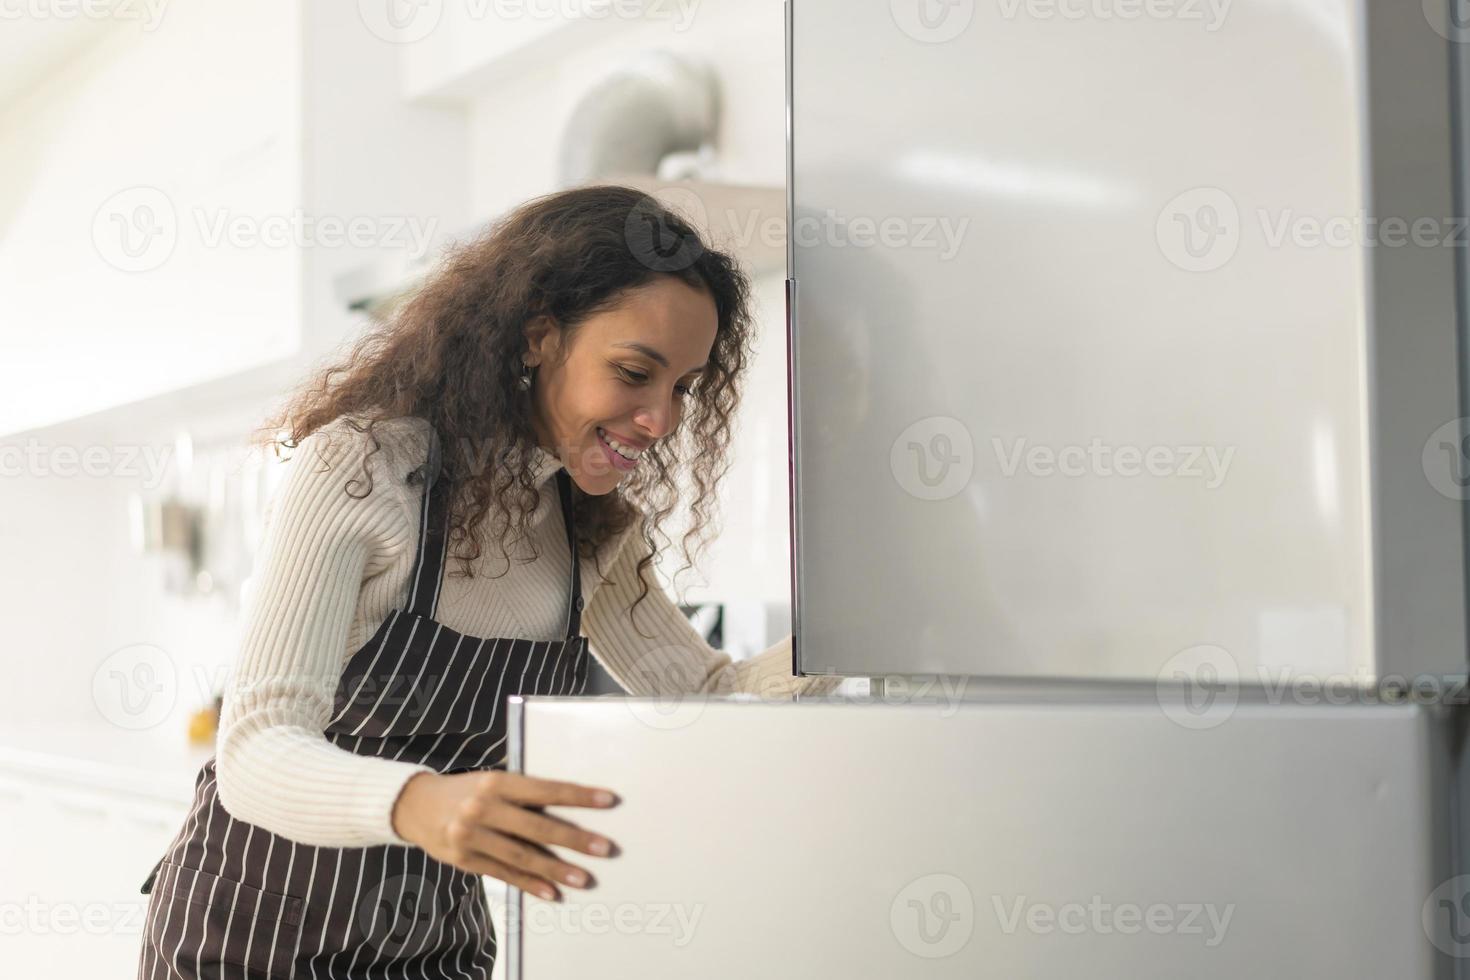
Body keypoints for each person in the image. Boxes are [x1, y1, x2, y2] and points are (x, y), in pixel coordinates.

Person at [134, 184, 841, 979]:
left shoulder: (591, 531)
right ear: (539, 337)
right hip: (250, 941)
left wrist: (863, 624)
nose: (662, 420)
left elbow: (709, 699)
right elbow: (257, 749)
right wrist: (420, 803)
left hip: (435, 949)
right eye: (635, 372)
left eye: (682, 387)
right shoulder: (369, 468)